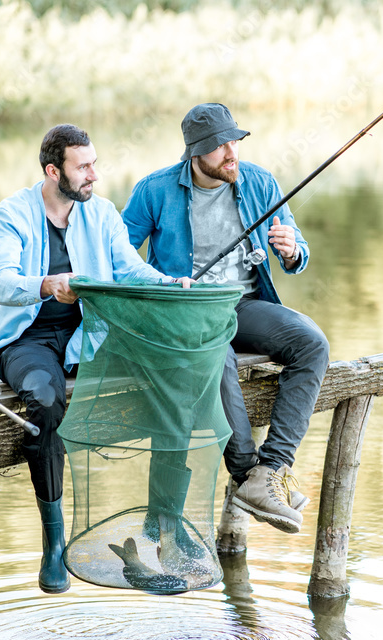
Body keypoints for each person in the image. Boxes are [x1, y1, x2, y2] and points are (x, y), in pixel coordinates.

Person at [0, 124, 192, 594]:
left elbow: (131, 271)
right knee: (46, 403)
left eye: (94, 164)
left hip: (92, 336)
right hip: (28, 340)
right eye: (83, 166)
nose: (94, 175)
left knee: (176, 374)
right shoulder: (6, 217)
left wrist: (171, 285)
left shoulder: (102, 214)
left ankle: (164, 520)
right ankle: (53, 539)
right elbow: (0, 283)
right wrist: (47, 283)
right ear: (53, 171)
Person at [122, 103, 330, 535]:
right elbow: (116, 255)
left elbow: (298, 251)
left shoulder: (258, 181)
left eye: (234, 141)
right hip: (187, 313)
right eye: (220, 147)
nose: (231, 153)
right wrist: (163, 285)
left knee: (312, 342)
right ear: (195, 154)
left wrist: (293, 250)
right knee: (217, 354)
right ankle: (245, 473)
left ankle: (270, 469)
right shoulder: (154, 190)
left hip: (246, 305)